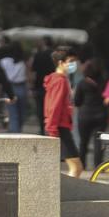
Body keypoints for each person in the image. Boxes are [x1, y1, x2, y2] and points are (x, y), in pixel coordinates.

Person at [42, 47, 83, 177]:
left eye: (74, 61)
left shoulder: (60, 79)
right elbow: (54, 106)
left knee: (75, 167)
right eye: (70, 61)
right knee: (76, 167)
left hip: (60, 126)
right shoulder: (60, 81)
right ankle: (64, 196)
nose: (73, 64)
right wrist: (52, 130)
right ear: (61, 63)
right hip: (59, 127)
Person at [73, 58, 109, 170]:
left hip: (85, 115)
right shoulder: (104, 82)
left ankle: (82, 165)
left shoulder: (82, 83)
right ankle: (98, 166)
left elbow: (76, 101)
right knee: (98, 142)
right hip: (101, 115)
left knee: (83, 142)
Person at [0, 41, 29, 134]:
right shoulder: (22, 63)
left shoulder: (4, 61)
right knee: (22, 113)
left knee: (13, 114)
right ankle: (19, 130)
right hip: (21, 87)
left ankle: (15, 133)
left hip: (9, 88)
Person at [30, 37, 56, 136]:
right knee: (52, 109)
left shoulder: (38, 55)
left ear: (44, 43)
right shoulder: (56, 55)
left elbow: (34, 73)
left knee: (40, 110)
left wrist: (32, 86)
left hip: (40, 86)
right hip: (53, 86)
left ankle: (42, 129)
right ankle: (51, 130)